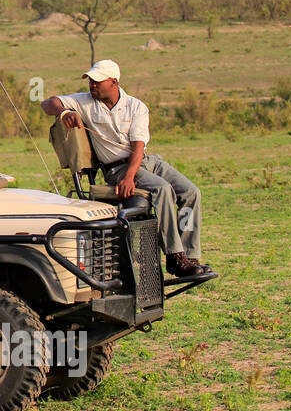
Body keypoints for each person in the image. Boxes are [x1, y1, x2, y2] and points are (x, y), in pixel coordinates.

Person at [40, 59, 210, 278]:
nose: (92, 85)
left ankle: (190, 255)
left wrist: (131, 177)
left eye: (98, 81)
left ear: (114, 82)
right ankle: (175, 257)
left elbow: (138, 147)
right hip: (117, 168)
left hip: (143, 162)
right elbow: (47, 103)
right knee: (162, 189)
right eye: (91, 81)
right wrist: (63, 112)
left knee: (191, 192)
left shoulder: (136, 107)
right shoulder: (84, 102)